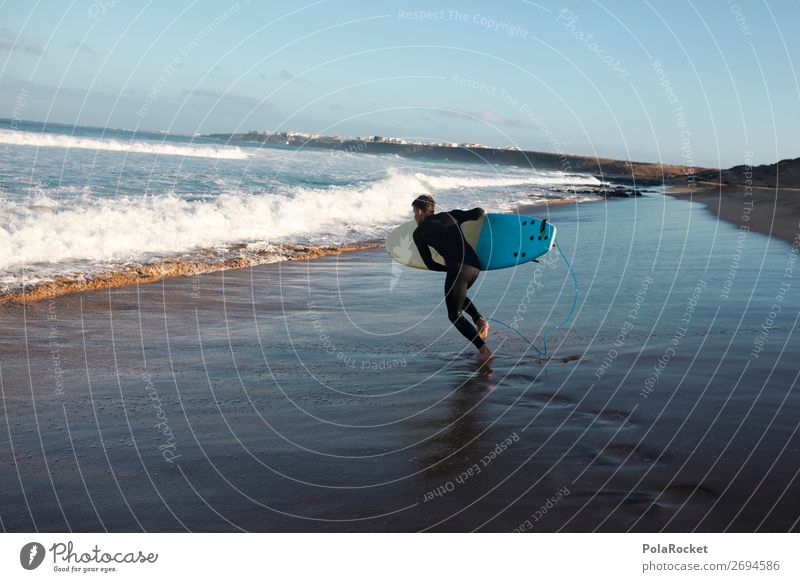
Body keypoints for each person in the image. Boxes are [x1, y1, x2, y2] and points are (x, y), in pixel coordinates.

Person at [411, 194, 493, 361]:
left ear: (420, 211)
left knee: (454, 315)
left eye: (413, 212)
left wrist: (448, 269)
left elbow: (429, 263)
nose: (414, 217)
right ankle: (479, 320)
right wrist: (483, 211)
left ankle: (484, 350)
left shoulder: (419, 233)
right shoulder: (450, 215)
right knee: (457, 295)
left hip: (459, 269)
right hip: (476, 266)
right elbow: (477, 212)